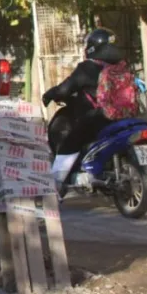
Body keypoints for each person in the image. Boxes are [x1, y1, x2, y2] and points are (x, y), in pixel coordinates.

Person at [42, 28, 126, 188]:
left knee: (70, 141)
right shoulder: (121, 67)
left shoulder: (87, 68)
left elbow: (65, 89)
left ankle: (55, 185)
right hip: (124, 116)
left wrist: (49, 95)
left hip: (99, 118)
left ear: (92, 47)